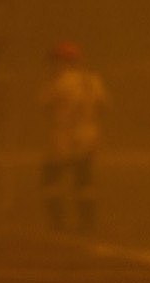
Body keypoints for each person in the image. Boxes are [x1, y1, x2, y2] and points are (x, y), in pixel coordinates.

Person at [40, 41, 107, 232]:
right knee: (84, 178)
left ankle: (57, 222)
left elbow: (44, 105)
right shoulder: (92, 80)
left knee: (50, 179)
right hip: (88, 133)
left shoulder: (58, 81)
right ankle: (87, 222)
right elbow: (103, 106)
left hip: (63, 134)